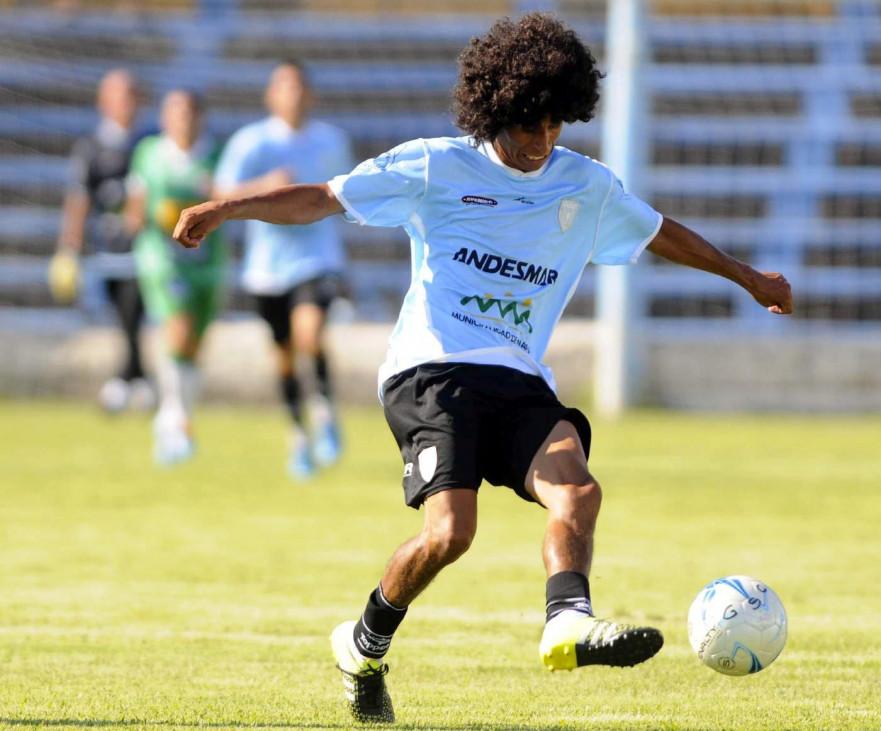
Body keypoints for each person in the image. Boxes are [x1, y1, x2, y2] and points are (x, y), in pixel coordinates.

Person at [174, 14, 792, 724]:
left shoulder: (583, 185)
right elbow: (324, 197)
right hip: (430, 372)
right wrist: (227, 207)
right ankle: (363, 643)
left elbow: (660, 233)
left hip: (518, 375)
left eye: (557, 124)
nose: (543, 141)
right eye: (530, 124)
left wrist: (748, 277)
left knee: (578, 490)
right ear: (495, 109)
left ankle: (566, 620)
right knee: (450, 535)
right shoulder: (437, 165)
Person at [214, 60, 354, 479]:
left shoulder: (331, 141)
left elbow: (349, 193)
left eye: (298, 86)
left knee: (310, 334)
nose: (292, 93)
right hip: (267, 267)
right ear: (270, 96)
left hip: (318, 259)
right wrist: (263, 185)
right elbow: (220, 195)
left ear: (309, 94)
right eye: (283, 86)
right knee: (284, 358)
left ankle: (324, 409)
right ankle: (298, 435)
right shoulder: (251, 143)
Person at [125, 91, 226, 465]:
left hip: (208, 263)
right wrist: (141, 219)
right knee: (178, 331)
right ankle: (174, 417)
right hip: (162, 260)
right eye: (174, 112)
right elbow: (135, 204)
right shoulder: (149, 152)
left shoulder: (215, 156)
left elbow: (226, 199)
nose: (181, 118)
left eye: (188, 111)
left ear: (200, 116)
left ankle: (176, 415)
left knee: (193, 347)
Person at [50, 68, 154, 413]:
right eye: (119, 95)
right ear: (103, 102)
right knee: (124, 320)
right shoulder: (91, 148)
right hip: (106, 253)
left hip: (146, 252)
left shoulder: (150, 143)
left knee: (132, 315)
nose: (126, 102)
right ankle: (135, 381)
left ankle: (124, 384)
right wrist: (69, 248)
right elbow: (78, 200)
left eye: (131, 94)